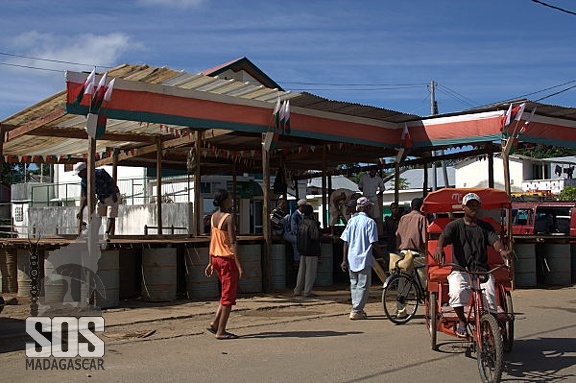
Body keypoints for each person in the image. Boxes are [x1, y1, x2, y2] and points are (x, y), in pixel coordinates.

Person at [433, 192, 511, 338]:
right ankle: (462, 320)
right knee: (457, 292)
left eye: (476, 205)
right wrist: (439, 248)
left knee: (490, 298)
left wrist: (501, 250)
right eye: (470, 205)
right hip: (460, 269)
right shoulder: (455, 225)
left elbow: (494, 241)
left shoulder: (485, 227)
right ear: (463, 207)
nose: (473, 208)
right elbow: (443, 237)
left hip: (482, 270)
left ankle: (492, 327)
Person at [204, 189, 244, 340]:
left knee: (225, 293)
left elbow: (212, 240)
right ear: (225, 200)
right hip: (227, 260)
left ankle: (215, 323)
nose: (232, 199)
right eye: (230, 197)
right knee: (228, 297)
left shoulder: (214, 216)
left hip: (215, 258)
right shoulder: (229, 218)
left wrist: (209, 262)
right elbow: (233, 242)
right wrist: (239, 265)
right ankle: (221, 331)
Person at [340, 196, 379, 320]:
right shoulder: (370, 222)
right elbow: (374, 242)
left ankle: (356, 308)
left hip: (351, 258)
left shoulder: (351, 221)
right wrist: (384, 255)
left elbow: (345, 241)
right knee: (363, 285)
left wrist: (344, 259)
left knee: (354, 285)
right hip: (364, 258)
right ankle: (357, 310)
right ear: (367, 208)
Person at [393, 197, 427, 318]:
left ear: (411, 206)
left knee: (403, 281)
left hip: (403, 253)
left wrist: (399, 249)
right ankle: (429, 307)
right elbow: (424, 239)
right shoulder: (422, 218)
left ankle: (400, 310)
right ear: (421, 207)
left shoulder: (403, 218)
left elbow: (397, 235)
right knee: (424, 281)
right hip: (417, 254)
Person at [74, 162, 121, 238]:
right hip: (101, 197)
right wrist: (81, 210)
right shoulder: (84, 182)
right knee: (98, 215)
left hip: (112, 194)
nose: (79, 176)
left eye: (80, 173)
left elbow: (111, 182)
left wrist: (114, 194)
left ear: (85, 170)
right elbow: (85, 197)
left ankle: (107, 233)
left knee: (111, 214)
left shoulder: (100, 173)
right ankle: (95, 234)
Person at [294, 204, 321, 297]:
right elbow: (315, 237)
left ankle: (297, 290)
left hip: (302, 250)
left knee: (301, 272)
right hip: (311, 250)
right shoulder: (312, 223)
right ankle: (307, 292)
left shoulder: (301, 222)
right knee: (310, 272)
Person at [358, 167, 385, 236]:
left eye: (375, 171)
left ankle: (374, 232)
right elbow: (360, 186)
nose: (373, 172)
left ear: (376, 172)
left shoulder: (378, 179)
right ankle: (365, 231)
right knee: (365, 215)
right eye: (372, 171)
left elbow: (382, 188)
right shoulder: (364, 177)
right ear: (370, 171)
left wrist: (378, 194)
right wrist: (365, 192)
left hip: (374, 198)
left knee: (375, 216)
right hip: (365, 198)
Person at [284, 199, 307, 267]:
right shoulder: (295, 215)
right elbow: (294, 228)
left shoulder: (302, 215)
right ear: (301, 206)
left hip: (301, 234)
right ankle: (297, 260)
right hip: (293, 234)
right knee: (296, 241)